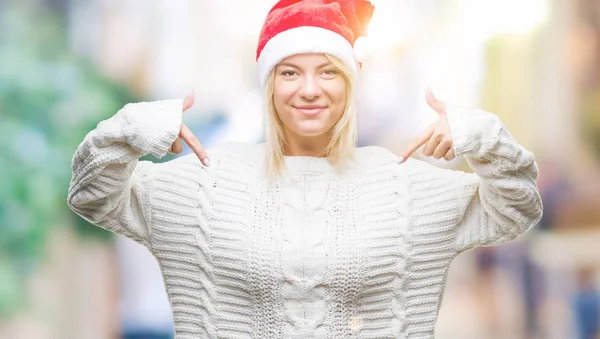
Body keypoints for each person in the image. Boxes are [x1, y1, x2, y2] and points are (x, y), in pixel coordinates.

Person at [67, 0, 543, 338]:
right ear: (269, 85)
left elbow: (515, 209)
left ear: (351, 84)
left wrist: (482, 137)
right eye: (290, 72)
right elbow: (92, 195)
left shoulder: (406, 185)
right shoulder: (204, 183)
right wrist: (129, 129)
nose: (309, 89)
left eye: (329, 71)